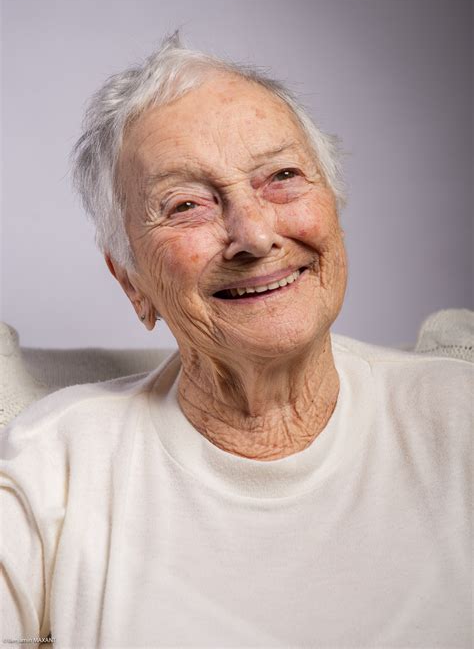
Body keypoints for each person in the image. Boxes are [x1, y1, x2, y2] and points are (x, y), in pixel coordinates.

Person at [0, 34, 471, 649]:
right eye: (188, 204)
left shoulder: (461, 420)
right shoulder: (54, 465)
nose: (253, 233)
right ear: (132, 282)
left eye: (281, 176)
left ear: (333, 210)